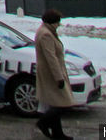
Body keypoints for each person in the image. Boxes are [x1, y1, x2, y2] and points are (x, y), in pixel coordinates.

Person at [34, 9, 74, 140]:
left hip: (50, 73)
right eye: (58, 22)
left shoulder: (45, 31)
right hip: (51, 74)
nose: (59, 25)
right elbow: (51, 58)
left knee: (56, 103)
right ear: (52, 22)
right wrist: (59, 77)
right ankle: (43, 123)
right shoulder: (46, 35)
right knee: (63, 104)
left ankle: (57, 133)